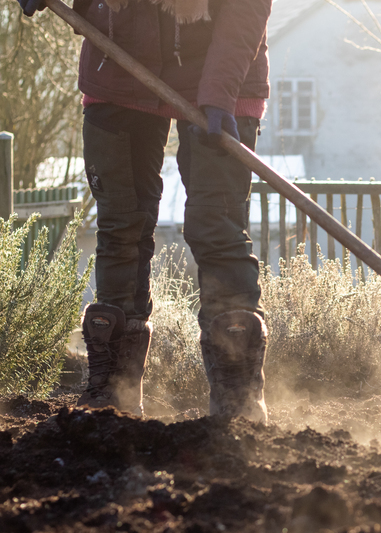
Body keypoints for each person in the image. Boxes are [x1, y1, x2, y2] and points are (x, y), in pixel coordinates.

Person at [17, 0, 273, 422]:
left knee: (216, 228)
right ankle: (114, 393)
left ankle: (238, 395)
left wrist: (220, 93)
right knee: (121, 227)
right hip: (119, 70)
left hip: (223, 78)